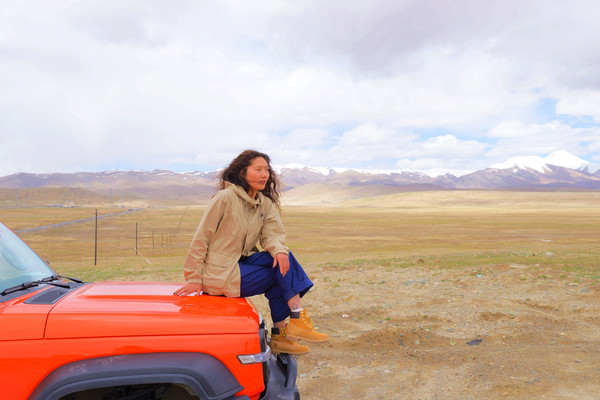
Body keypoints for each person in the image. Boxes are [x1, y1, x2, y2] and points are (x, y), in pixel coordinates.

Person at [174, 149, 329, 355]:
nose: (264, 174)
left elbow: (272, 234)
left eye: (267, 170)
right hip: (219, 273)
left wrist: (278, 251)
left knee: (281, 258)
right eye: (258, 169)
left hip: (241, 265)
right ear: (242, 172)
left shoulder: (264, 203)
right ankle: (289, 326)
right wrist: (194, 278)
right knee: (278, 275)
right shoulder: (225, 198)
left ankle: (286, 330)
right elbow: (202, 238)